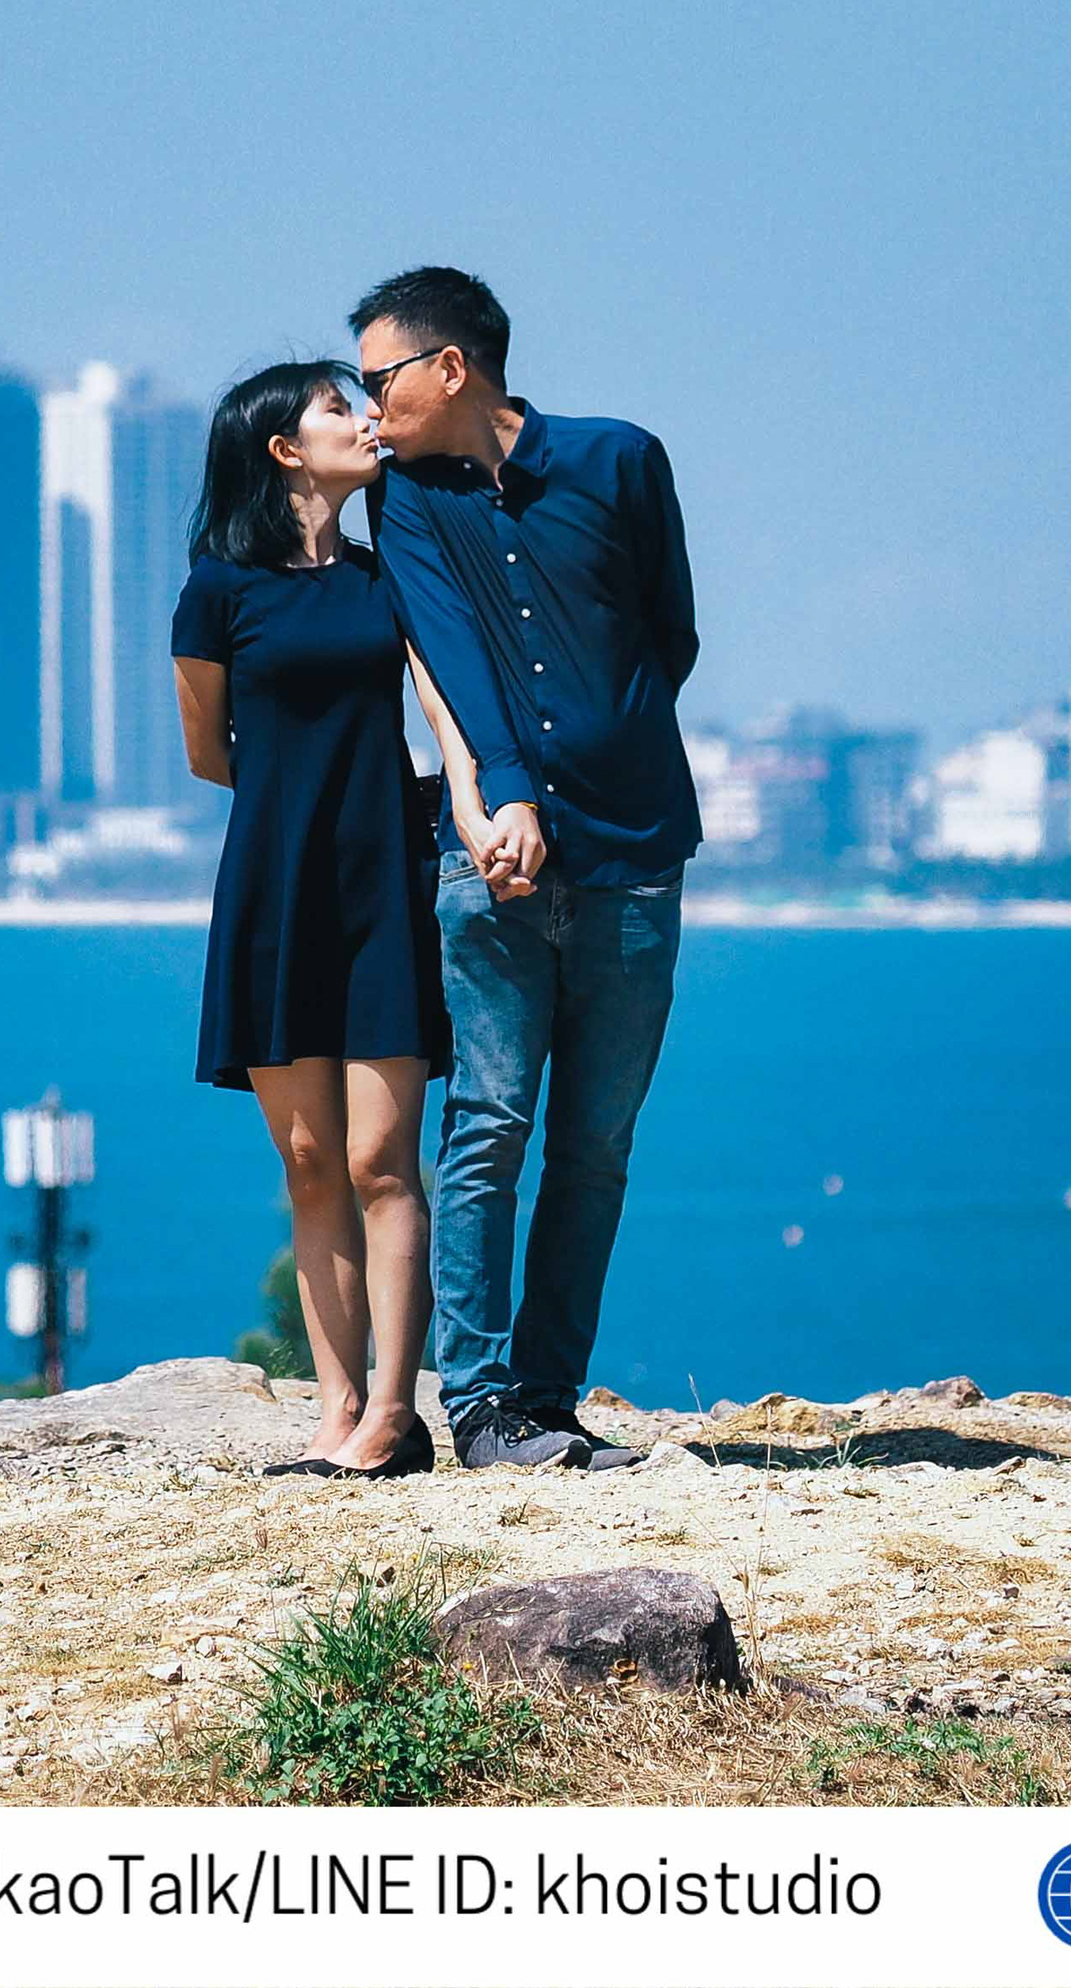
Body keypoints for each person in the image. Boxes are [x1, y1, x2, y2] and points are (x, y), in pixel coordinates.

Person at [354, 267, 698, 1472]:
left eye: (378, 377)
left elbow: (671, 636)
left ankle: (551, 1400)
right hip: (491, 864)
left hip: (639, 858)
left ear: (452, 368)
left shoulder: (621, 462)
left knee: (596, 1145)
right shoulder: (404, 502)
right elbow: (443, 651)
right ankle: (483, 1403)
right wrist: (507, 797)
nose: (366, 404)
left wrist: (603, 762)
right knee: (489, 1125)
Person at [171, 359, 451, 1480]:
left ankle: (394, 1411)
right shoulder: (216, 588)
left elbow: (437, 707)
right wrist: (302, 808)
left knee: (385, 1156)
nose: (365, 419)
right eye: (340, 408)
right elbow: (208, 751)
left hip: (384, 878)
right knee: (306, 1158)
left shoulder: (390, 577)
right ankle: (334, 1409)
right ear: (285, 448)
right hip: (276, 885)